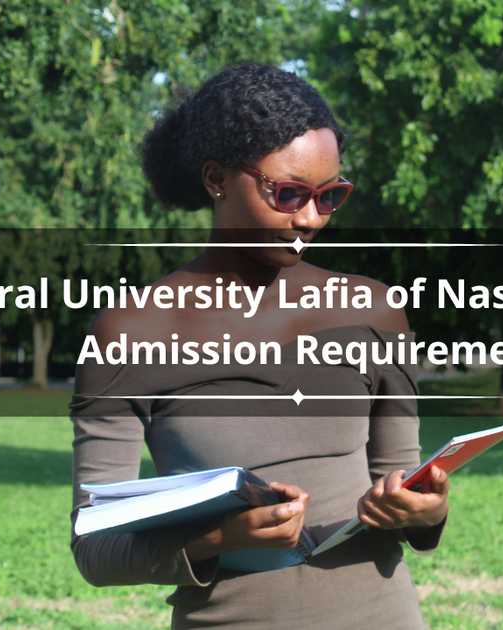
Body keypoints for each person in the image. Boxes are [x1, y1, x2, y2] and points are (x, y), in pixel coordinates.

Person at [69, 63, 449, 629]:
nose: (311, 218)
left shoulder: (372, 312)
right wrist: (218, 538)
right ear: (217, 178)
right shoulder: (130, 332)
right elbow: (95, 548)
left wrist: (427, 509)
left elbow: (404, 489)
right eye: (289, 193)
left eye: (330, 196)